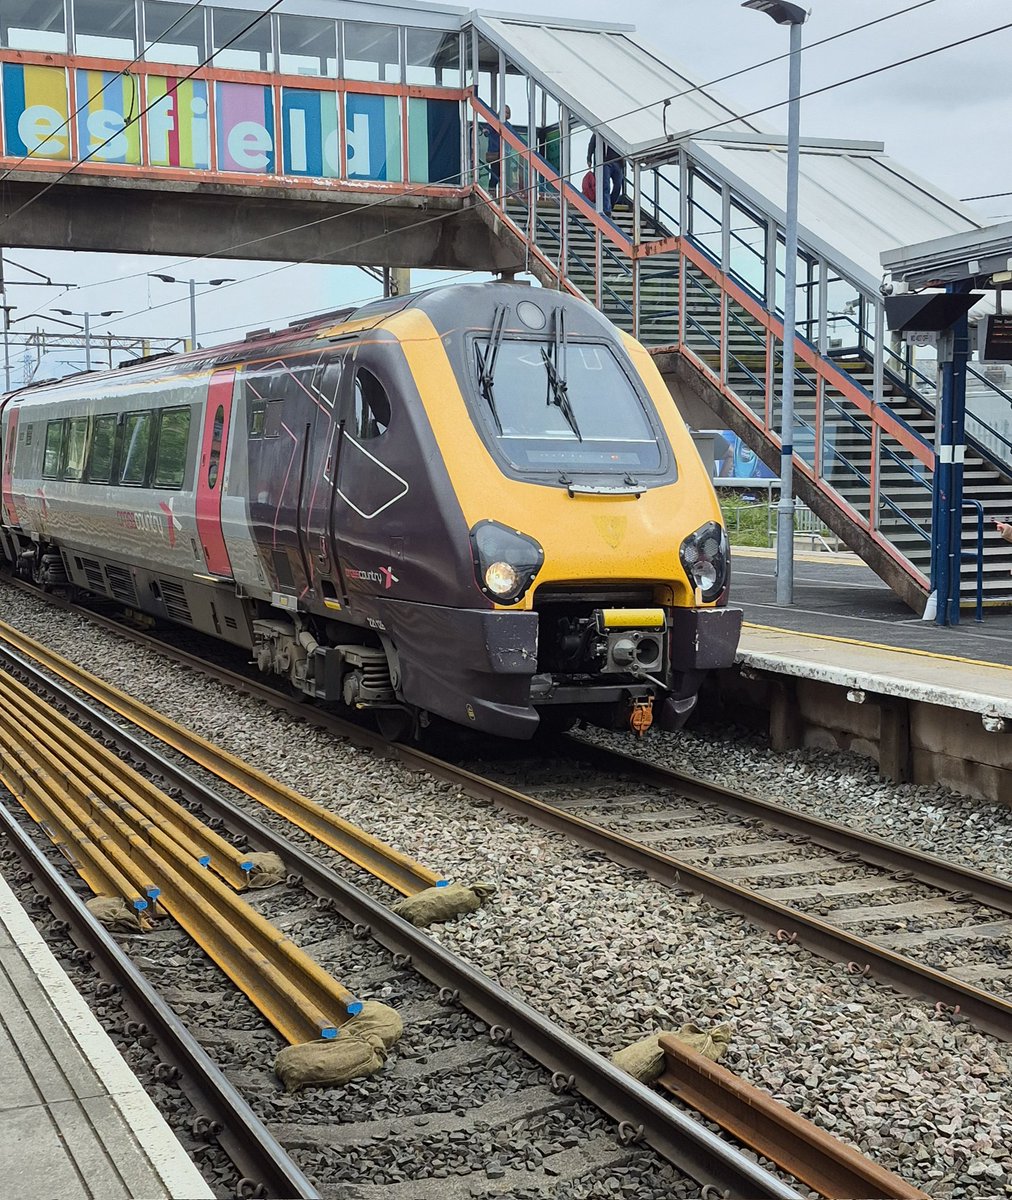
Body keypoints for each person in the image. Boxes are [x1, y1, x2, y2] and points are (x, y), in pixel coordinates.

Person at [587, 134, 625, 217]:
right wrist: (589, 158)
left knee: (618, 186)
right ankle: (607, 209)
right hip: (604, 162)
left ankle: (609, 205)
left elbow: (625, 146)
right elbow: (592, 144)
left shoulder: (619, 131)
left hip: (617, 162)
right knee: (606, 186)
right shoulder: (598, 131)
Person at [485, 105, 511, 196]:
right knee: (495, 173)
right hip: (495, 152)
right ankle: (492, 191)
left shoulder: (508, 125)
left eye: (507, 112)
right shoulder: (495, 122)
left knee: (502, 174)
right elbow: (488, 129)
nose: (505, 114)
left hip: (504, 153)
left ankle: (500, 192)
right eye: (504, 112)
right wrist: (486, 131)